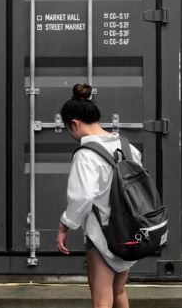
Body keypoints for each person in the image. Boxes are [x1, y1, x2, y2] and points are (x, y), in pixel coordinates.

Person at [56, 83, 142, 308]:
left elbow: (82, 197)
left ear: (74, 124)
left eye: (68, 129)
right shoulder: (128, 146)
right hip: (130, 231)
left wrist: (65, 226)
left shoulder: (86, 155)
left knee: (101, 301)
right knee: (119, 291)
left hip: (103, 235)